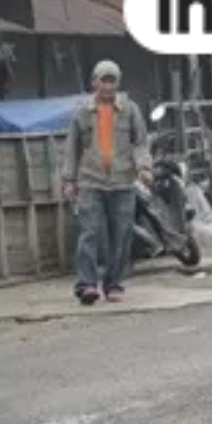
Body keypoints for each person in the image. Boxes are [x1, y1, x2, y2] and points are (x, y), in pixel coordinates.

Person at [63, 60, 152, 305]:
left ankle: (114, 284)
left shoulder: (130, 110)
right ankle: (87, 284)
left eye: (112, 80)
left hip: (123, 182)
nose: (108, 85)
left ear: (118, 83)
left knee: (121, 235)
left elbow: (140, 143)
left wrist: (144, 167)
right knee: (89, 234)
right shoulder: (82, 112)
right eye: (104, 79)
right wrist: (69, 180)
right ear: (94, 82)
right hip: (90, 182)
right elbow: (72, 148)